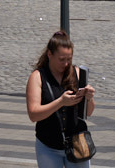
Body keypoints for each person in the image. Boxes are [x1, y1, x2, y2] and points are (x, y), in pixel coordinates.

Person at [26, 30, 96, 168]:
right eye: (62, 59)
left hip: (77, 144)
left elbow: (88, 112)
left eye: (69, 59)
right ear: (50, 54)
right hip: (48, 146)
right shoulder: (38, 77)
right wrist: (60, 102)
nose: (66, 64)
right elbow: (33, 114)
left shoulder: (77, 73)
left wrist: (89, 98)